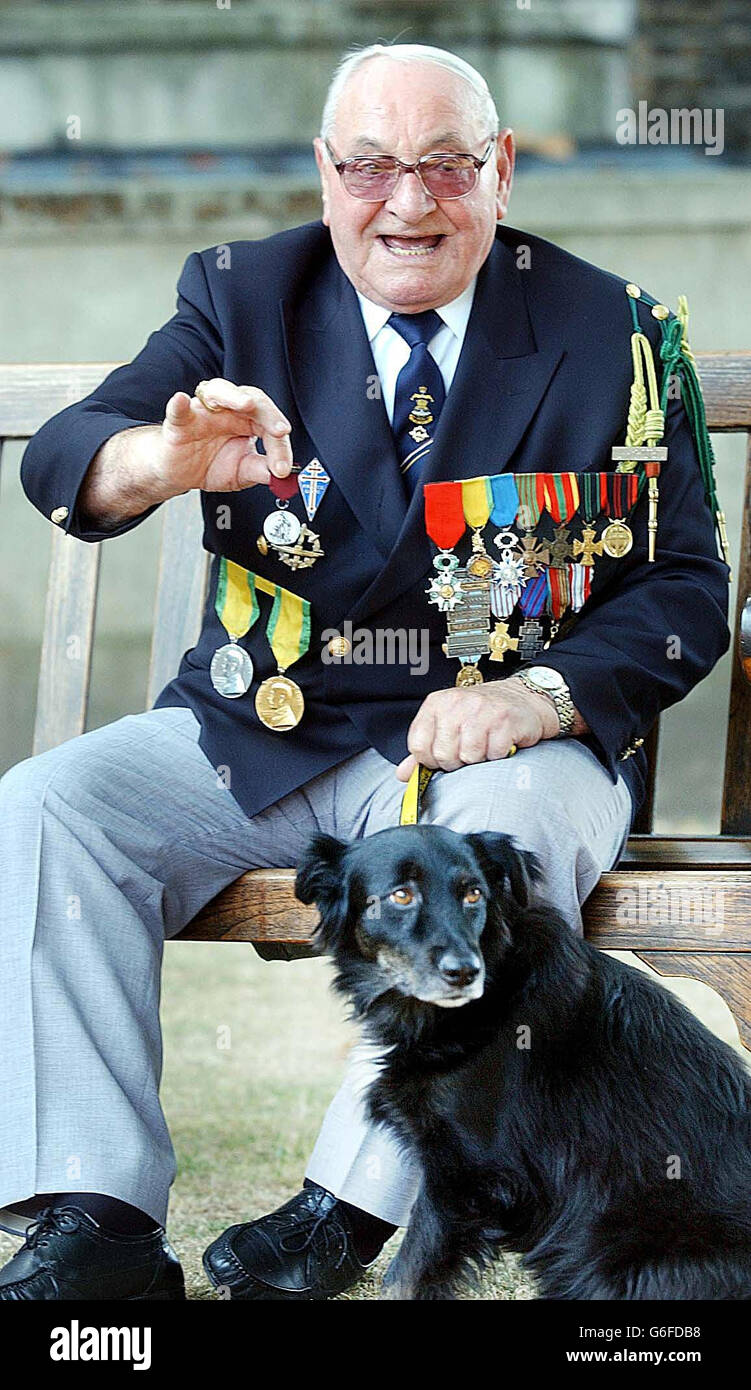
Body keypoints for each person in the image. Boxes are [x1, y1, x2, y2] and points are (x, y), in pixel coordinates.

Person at [0, 43, 729, 1301]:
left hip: (499, 750)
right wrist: (158, 462)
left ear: (498, 172)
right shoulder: (240, 294)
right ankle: (97, 1218)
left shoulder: (615, 332)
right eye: (373, 166)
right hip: (270, 731)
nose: (408, 201)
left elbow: (682, 588)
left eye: (446, 164)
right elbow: (67, 459)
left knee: (500, 836)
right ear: (326, 174)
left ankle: (345, 1208)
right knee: (47, 805)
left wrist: (538, 696)